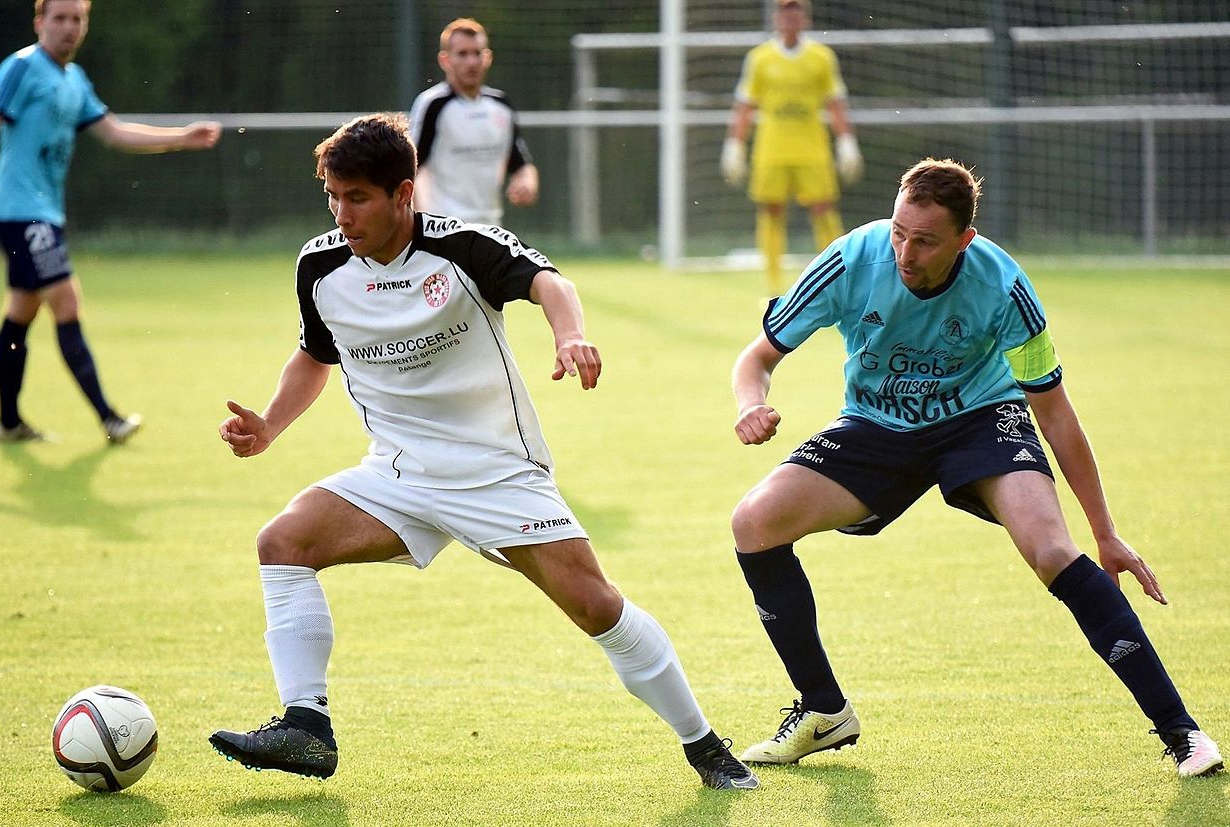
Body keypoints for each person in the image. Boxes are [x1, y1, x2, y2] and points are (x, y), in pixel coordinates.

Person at [207, 112, 758, 791]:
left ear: (402, 194)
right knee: (283, 542)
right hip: (400, 471)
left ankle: (705, 746)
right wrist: (269, 425)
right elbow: (314, 356)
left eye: (357, 197)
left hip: (494, 468)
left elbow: (550, 282)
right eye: (332, 195)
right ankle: (306, 724)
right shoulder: (320, 266)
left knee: (594, 605)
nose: (341, 214)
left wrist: (569, 335)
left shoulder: (460, 247)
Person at [727, 157, 1223, 778]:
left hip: (980, 419)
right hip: (877, 425)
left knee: (1049, 550)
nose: (906, 252)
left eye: (926, 240)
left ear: (965, 239)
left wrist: (1104, 531)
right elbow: (758, 358)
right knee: (754, 523)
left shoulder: (1003, 285)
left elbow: (1055, 411)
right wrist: (752, 404)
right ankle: (824, 711)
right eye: (899, 232)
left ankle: (1184, 734)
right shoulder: (852, 260)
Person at [0, 0, 221, 443]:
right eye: (59, 18)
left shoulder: (74, 81)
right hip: (21, 211)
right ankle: (108, 418)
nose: (68, 28)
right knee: (66, 302)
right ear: (39, 23)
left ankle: (7, 422)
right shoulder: (20, 67)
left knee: (21, 313)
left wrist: (181, 138)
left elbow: (114, 133)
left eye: (77, 19)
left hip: (42, 213)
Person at [721, 0, 863, 296]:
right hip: (771, 147)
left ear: (805, 19)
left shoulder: (821, 57)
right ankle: (773, 286)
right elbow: (745, 105)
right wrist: (735, 144)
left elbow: (834, 102)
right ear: (776, 18)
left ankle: (838, 277)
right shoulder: (760, 58)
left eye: (796, 14)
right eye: (785, 13)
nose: (790, 20)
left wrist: (846, 142)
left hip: (812, 147)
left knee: (822, 207)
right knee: (772, 210)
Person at [408, 18, 538, 226]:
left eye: (477, 53)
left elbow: (521, 163)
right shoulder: (434, 104)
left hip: (490, 227)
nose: (471, 62)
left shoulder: (501, 105)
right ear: (445, 60)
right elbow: (411, 166)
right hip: (444, 228)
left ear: (488, 58)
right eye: (462, 54)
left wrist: (527, 182)